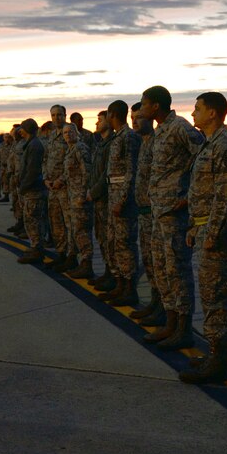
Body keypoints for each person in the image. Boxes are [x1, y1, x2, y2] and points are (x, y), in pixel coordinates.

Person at [177, 92, 227, 384]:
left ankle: (218, 360)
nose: (193, 114)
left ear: (213, 113)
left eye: (197, 109)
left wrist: (211, 233)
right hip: (206, 228)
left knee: (216, 299)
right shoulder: (209, 145)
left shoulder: (226, 145)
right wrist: (195, 227)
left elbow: (225, 194)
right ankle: (222, 353)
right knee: (212, 297)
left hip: (218, 234)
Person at [138, 85, 203, 350]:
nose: (141, 109)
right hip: (159, 212)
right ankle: (170, 322)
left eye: (143, 104)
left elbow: (203, 156)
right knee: (163, 268)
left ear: (155, 106)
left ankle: (184, 328)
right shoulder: (159, 131)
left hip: (175, 214)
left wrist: (189, 195)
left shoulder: (180, 127)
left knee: (177, 270)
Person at [98, 100, 140, 307]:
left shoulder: (129, 137)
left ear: (112, 115)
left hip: (122, 201)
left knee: (125, 245)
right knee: (115, 243)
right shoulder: (118, 137)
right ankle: (120, 284)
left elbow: (131, 171)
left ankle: (129, 288)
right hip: (113, 197)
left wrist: (122, 200)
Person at [129, 102, 164, 325]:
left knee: (161, 266)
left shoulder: (158, 141)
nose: (135, 122)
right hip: (143, 213)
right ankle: (154, 302)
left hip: (156, 213)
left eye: (139, 117)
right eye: (133, 118)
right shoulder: (143, 143)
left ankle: (162, 309)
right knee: (150, 262)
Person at [61, 124, 95, 279]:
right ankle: (82, 262)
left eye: (70, 132)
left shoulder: (80, 148)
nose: (68, 135)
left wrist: (83, 194)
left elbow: (87, 172)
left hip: (79, 198)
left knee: (82, 231)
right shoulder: (71, 149)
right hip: (72, 196)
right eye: (65, 133)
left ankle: (87, 264)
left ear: (77, 133)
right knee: (76, 230)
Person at [43, 105, 74, 272]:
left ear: (65, 115)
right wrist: (45, 179)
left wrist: (61, 180)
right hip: (52, 187)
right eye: (53, 115)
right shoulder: (51, 135)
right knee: (55, 222)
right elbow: (45, 159)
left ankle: (71, 256)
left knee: (68, 223)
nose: (56, 118)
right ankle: (61, 254)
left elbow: (73, 160)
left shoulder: (70, 132)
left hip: (65, 187)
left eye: (59, 115)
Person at [88, 111, 114, 289]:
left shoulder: (112, 144)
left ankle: (112, 274)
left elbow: (107, 174)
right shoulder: (101, 144)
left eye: (100, 120)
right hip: (98, 200)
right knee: (102, 238)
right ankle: (107, 271)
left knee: (109, 239)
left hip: (105, 199)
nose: (96, 123)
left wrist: (94, 192)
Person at [16, 118, 48, 264]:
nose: (19, 131)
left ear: (27, 129)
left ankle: (37, 250)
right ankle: (35, 247)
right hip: (31, 189)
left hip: (33, 191)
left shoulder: (34, 146)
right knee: (31, 221)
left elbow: (32, 171)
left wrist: (23, 187)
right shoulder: (31, 144)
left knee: (33, 221)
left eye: (22, 128)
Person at [0, 132, 13, 202]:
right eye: (5, 137)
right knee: (4, 181)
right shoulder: (1, 146)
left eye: (8, 137)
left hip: (10, 167)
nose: (6, 139)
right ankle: (6, 195)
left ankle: (13, 197)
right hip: (3, 167)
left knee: (12, 182)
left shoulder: (12, 146)